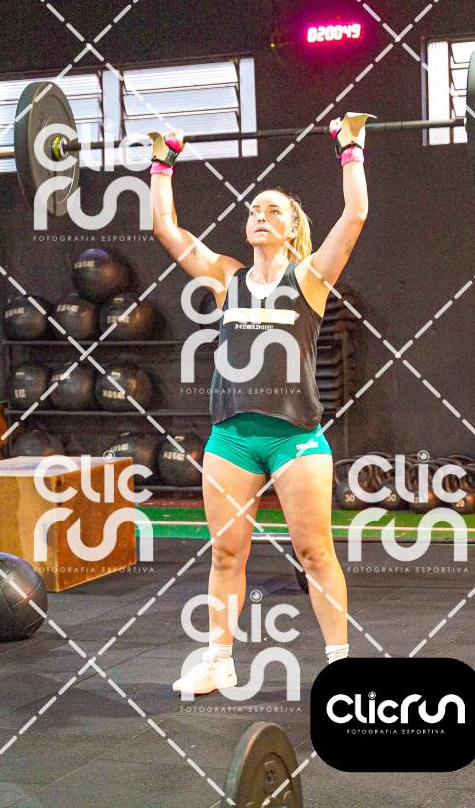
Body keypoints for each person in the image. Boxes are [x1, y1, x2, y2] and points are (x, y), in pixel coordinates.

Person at [149, 114, 370, 696]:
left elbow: (355, 215)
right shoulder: (228, 278)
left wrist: (350, 148)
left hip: (294, 437)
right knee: (226, 553)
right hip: (231, 438)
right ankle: (219, 662)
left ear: (293, 228)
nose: (259, 216)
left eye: (273, 210)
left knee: (314, 552)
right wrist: (162, 161)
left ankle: (340, 664)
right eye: (253, 210)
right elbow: (166, 227)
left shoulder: (312, 278)